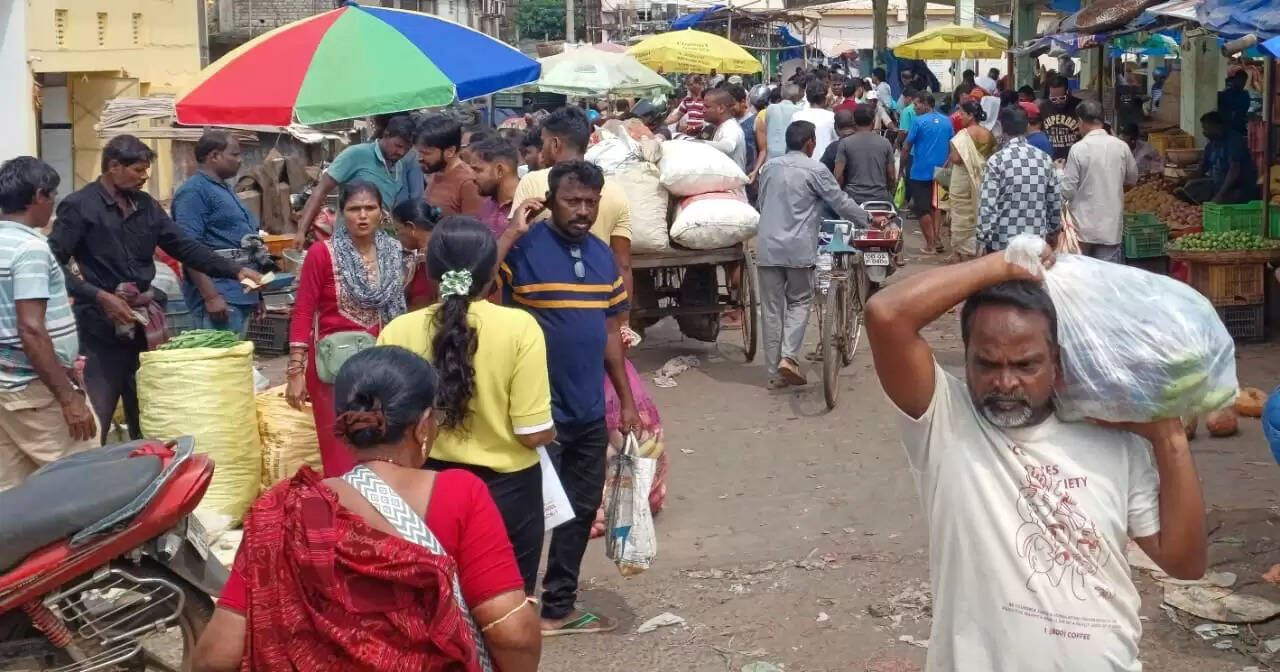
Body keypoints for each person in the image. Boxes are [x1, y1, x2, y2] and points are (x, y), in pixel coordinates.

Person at [864, 246, 1206, 672]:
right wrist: (1004, 263)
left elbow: (1186, 563)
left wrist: (1168, 437)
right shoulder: (947, 421)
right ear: (965, 356)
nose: (1005, 382)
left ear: (1057, 361)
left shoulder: (1116, 440)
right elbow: (886, 315)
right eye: (987, 364)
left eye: (1026, 365)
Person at [194, 346, 541, 672]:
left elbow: (218, 654)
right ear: (423, 424)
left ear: (345, 430)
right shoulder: (459, 495)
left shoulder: (284, 509)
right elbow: (512, 635)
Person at [378, 217, 555, 596]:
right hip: (508, 496)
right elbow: (532, 433)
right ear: (492, 271)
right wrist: (554, 432)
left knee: (435, 604)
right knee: (508, 608)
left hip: (425, 492)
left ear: (432, 270)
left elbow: (386, 428)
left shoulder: (397, 331)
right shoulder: (520, 327)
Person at [498, 160, 639, 635]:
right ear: (549, 201)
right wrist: (510, 234)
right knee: (527, 517)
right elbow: (470, 289)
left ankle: (558, 606)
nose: (582, 211)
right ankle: (514, 612)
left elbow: (610, 332)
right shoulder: (524, 249)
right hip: (536, 414)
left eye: (589, 202)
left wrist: (626, 401)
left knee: (579, 510)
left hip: (589, 412)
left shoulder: (601, 255)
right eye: (571, 201)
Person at [49, 134, 260, 443]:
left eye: (146, 170)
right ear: (114, 166)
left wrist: (234, 270)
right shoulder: (80, 206)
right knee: (98, 417)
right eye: (138, 170)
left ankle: (143, 469)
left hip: (144, 325)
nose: (144, 177)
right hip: (99, 329)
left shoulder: (145, 206)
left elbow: (184, 246)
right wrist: (100, 296)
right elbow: (53, 265)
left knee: (149, 416)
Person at [287, 181, 407, 478]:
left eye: (370, 208)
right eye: (354, 209)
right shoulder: (321, 253)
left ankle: (376, 504)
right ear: (342, 213)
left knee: (381, 447)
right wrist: (295, 372)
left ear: (382, 212)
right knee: (340, 451)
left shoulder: (392, 250)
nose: (362, 216)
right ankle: (342, 505)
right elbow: (303, 311)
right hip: (333, 369)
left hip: (379, 363)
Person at [0, 157, 97, 491]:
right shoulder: (30, 248)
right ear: (38, 196)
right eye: (53, 195)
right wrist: (68, 398)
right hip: (35, 388)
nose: (54, 204)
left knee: (13, 491)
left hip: (7, 388)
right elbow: (31, 329)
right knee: (85, 481)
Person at [756, 120, 870, 388]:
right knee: (799, 301)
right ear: (810, 143)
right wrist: (867, 219)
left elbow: (762, 202)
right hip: (798, 249)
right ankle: (788, 357)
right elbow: (840, 202)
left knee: (772, 309)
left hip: (768, 247)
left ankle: (774, 372)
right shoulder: (816, 170)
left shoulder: (769, 167)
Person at [171, 130, 260, 336]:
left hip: (240, 294)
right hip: (219, 296)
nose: (240, 160)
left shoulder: (224, 189)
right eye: (234, 154)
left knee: (237, 355)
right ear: (214, 156)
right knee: (219, 355)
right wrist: (211, 296)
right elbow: (188, 248)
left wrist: (257, 296)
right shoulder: (194, 192)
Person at [293, 115, 421, 249]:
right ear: (386, 135)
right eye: (398, 146)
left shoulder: (398, 167)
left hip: (378, 246)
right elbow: (320, 192)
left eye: (406, 149)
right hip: (347, 244)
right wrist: (302, 231)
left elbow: (387, 209)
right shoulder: (355, 155)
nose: (401, 152)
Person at [1061, 100, 1138, 263]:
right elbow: (1132, 178)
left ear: (1080, 122)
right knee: (1106, 275)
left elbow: (1067, 190)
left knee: (1082, 273)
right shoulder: (1121, 146)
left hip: (1082, 227)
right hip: (1110, 228)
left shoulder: (1078, 149)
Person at [977, 105, 1061, 253]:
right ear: (1027, 126)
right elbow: (1054, 201)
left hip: (1001, 245)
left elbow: (987, 205)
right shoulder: (1045, 159)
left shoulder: (996, 161)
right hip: (1035, 243)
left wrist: (982, 239)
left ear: (1003, 129)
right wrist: (1053, 231)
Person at [900, 93, 954, 255]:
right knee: (937, 207)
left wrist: (901, 169)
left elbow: (906, 147)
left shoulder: (918, 121)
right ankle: (936, 239)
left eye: (916, 105)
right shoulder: (947, 121)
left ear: (925, 104)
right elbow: (952, 145)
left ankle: (931, 245)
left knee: (922, 209)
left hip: (921, 171)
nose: (914, 108)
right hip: (943, 170)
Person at [947, 101, 997, 261]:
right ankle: (976, 249)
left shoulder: (963, 135)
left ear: (970, 115)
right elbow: (991, 157)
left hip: (963, 182)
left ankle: (962, 252)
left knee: (961, 216)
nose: (959, 117)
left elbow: (956, 159)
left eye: (962, 114)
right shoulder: (988, 134)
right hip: (982, 179)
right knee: (978, 213)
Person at [417, 115, 487, 218]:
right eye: (419, 152)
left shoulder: (469, 182)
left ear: (450, 151)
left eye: (427, 153)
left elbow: (472, 225)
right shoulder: (436, 170)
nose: (420, 158)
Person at [834, 104, 896, 204]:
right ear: (873, 121)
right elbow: (891, 176)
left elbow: (838, 176)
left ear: (854, 122)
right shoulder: (885, 143)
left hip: (853, 199)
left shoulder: (845, 143)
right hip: (881, 198)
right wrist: (886, 190)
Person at [466, 136, 521, 238]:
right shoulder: (488, 204)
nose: (472, 177)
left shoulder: (527, 208)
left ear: (499, 171)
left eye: (477, 170)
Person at [1200, 110, 1259, 204]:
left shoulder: (1234, 140)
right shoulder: (1211, 145)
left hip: (1239, 189)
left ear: (1217, 126)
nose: (1204, 132)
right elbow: (1202, 168)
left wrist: (1220, 195)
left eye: (1206, 128)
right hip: (1220, 188)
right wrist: (1183, 182)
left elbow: (1234, 171)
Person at [392, 199, 442, 311]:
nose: (396, 235)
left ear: (411, 227)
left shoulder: (432, 257)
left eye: (397, 229)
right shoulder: (425, 255)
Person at [754, 83, 803, 179]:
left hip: (771, 159)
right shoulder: (799, 110)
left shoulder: (770, 109)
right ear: (796, 97)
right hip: (789, 161)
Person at [700, 87, 747, 171]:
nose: (703, 110)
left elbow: (727, 147)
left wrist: (698, 143)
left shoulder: (731, 128)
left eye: (707, 107)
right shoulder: (720, 126)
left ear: (721, 108)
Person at [792, 80, 838, 160]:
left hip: (800, 162)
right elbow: (837, 140)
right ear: (825, 98)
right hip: (824, 162)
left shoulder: (796, 116)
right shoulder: (831, 117)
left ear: (807, 98)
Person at [1039, 75, 1082, 161]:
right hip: (1050, 159)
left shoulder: (1079, 106)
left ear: (1068, 92)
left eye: (1062, 98)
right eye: (1053, 99)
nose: (1058, 102)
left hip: (1074, 159)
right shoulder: (1043, 107)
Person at [821, 108, 857, 175]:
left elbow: (822, 172)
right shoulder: (867, 142)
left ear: (835, 127)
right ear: (855, 126)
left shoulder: (833, 148)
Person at [1218, 70, 1251, 136]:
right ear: (1235, 79)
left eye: (1244, 81)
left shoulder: (1245, 95)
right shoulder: (1226, 94)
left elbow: (1244, 110)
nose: (1242, 83)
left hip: (1239, 126)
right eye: (1240, 80)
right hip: (1227, 126)